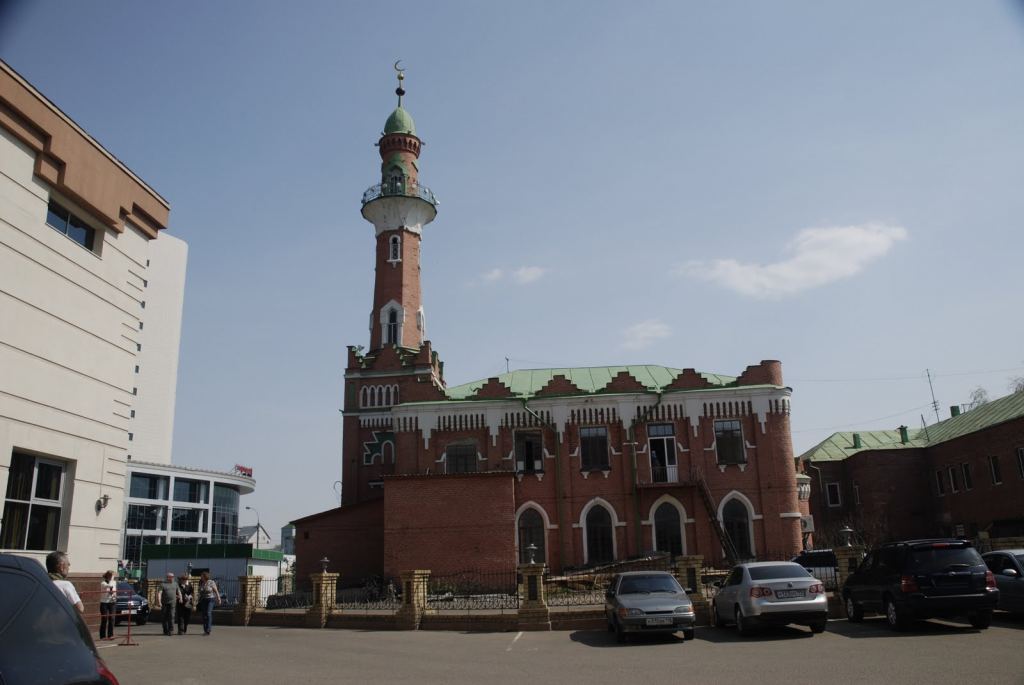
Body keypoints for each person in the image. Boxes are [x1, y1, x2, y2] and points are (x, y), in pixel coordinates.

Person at [155, 572, 182, 636]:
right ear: (168, 577)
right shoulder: (163, 584)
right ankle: (165, 630)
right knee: (164, 617)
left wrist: (181, 598)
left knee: (172, 616)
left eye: (173, 577)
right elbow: (159, 593)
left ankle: (171, 630)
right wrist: (159, 602)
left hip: (173, 603)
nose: (172, 578)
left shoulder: (175, 584)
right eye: (171, 577)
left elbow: (179, 591)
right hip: (164, 603)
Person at [197, 571, 221, 635]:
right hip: (203, 600)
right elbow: (199, 592)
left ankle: (208, 629)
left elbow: (216, 590)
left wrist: (218, 598)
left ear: (205, 576)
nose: (201, 577)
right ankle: (205, 630)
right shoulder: (201, 583)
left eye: (202, 576)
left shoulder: (211, 582)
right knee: (204, 615)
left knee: (208, 613)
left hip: (210, 599)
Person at [99, 570, 117, 640]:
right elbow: (108, 586)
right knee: (104, 618)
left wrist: (115, 595)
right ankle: (102, 636)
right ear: (109, 576)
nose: (113, 577)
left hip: (112, 602)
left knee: (112, 618)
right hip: (104, 602)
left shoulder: (114, 582)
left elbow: (114, 590)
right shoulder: (103, 583)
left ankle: (110, 635)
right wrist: (111, 583)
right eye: (112, 575)